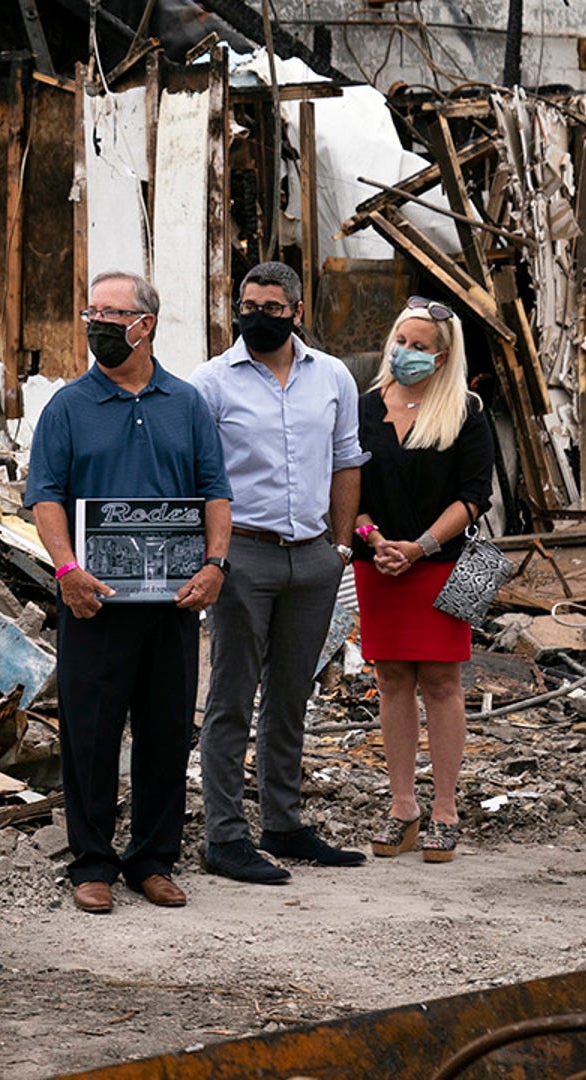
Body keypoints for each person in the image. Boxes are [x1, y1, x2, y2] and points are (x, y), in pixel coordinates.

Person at [25, 270, 232, 915]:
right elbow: (44, 497)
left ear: (145, 324)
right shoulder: (66, 407)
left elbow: (215, 491)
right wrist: (66, 571)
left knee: (166, 731)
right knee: (89, 732)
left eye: (112, 314)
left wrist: (216, 564)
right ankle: (91, 863)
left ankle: (152, 860)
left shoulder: (187, 404)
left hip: (172, 604)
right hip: (93, 601)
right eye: (91, 313)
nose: (98, 325)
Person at [191, 262, 369, 884]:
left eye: (271, 307)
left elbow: (347, 459)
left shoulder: (335, 377)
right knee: (232, 698)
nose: (257, 316)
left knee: (291, 696)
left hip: (314, 557)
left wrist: (341, 548)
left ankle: (284, 825)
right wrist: (214, 557)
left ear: (296, 311)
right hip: (244, 554)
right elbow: (200, 477)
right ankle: (225, 837)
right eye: (247, 305)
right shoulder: (211, 382)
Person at [351, 297, 494, 865]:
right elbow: (347, 486)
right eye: (400, 342)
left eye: (418, 346)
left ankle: (446, 810)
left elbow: (474, 496)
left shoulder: (466, 410)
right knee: (390, 680)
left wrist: (420, 547)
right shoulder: (364, 407)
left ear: (443, 357)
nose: (404, 352)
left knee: (442, 680)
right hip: (379, 563)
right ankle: (403, 805)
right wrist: (373, 540)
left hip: (446, 564)